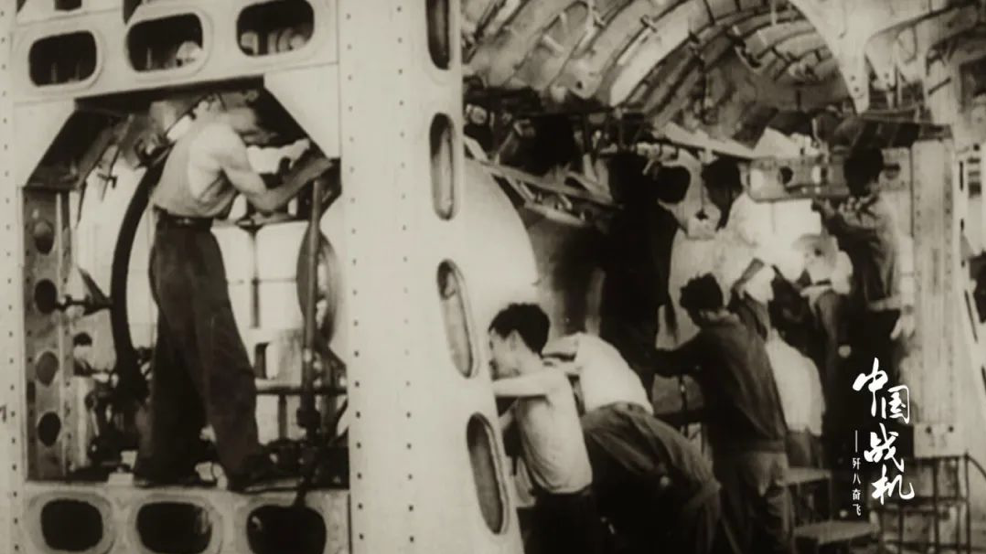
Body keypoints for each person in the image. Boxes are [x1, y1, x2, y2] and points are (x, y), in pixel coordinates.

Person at [135, 93, 325, 491]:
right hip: (189, 251)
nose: (260, 147)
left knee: (174, 366)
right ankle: (246, 466)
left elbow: (231, 192)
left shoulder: (207, 125)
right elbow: (268, 203)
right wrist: (309, 171)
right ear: (266, 132)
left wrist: (284, 175)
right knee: (225, 361)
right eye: (268, 142)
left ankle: (160, 463)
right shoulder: (225, 142)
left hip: (165, 248)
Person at [652, 274, 794, 554]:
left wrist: (634, 349)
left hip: (742, 457)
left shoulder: (712, 338)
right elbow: (738, 394)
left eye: (693, 316)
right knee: (779, 542)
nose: (694, 322)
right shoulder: (751, 336)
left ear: (704, 312)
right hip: (777, 454)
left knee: (733, 539)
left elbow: (669, 364)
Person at [488, 304, 603, 554]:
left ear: (513, 341)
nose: (491, 358)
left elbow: (494, 390)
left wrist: (473, 385)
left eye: (492, 345)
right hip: (551, 506)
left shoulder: (553, 380)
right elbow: (493, 432)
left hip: (576, 507)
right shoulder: (521, 402)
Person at [581, 404, 731, 554]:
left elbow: (653, 480)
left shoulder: (591, 435)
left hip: (690, 495)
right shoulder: (593, 427)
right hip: (684, 492)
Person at [595, 157, 691, 383]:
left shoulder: (628, 218)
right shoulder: (664, 217)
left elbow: (608, 259)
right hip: (647, 310)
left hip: (623, 310)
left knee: (615, 372)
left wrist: (597, 230)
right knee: (640, 372)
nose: (611, 189)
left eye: (614, 182)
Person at [701, 158, 778, 340]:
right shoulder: (733, 210)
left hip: (747, 297)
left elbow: (768, 249)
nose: (710, 198)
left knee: (750, 349)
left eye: (711, 192)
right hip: (734, 297)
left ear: (725, 189)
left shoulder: (749, 209)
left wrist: (742, 281)